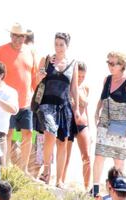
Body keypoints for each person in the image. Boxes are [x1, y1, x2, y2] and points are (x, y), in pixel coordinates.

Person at [0, 23, 38, 174]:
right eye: (15, 35)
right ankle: (6, 167)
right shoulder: (0, 50)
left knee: (28, 133)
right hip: (7, 101)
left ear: (25, 37)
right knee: (8, 133)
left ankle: (23, 169)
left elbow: (34, 76)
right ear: (10, 36)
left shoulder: (30, 52)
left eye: (21, 36)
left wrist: (35, 96)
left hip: (26, 101)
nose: (18, 39)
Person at [35, 32, 80, 188]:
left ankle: (59, 180)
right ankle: (46, 171)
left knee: (62, 141)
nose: (58, 47)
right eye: (56, 44)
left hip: (64, 105)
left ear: (67, 46)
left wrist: (77, 109)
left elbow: (74, 87)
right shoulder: (46, 59)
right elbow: (36, 80)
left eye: (61, 44)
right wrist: (41, 74)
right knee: (50, 133)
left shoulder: (73, 63)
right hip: (47, 103)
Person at [93, 51, 126, 195]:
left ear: (122, 65)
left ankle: (117, 191)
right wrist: (96, 111)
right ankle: (95, 189)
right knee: (99, 155)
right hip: (104, 123)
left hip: (121, 127)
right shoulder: (107, 80)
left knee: (118, 160)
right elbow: (102, 99)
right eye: (108, 62)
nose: (110, 66)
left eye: (113, 63)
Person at [63, 61, 91, 190]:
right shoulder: (68, 87)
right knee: (66, 156)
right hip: (69, 122)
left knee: (87, 157)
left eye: (83, 76)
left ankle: (87, 188)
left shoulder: (85, 88)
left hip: (82, 124)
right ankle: (61, 181)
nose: (80, 79)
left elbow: (86, 111)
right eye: (78, 76)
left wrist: (89, 129)